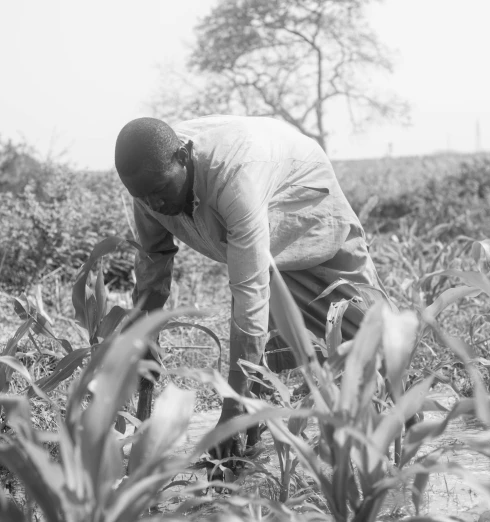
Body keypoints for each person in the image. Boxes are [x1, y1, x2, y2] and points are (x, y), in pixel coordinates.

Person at [114, 115, 389, 465]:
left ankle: (398, 410)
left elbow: (249, 296)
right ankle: (252, 436)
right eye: (143, 197)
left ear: (183, 158)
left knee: (371, 334)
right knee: (261, 293)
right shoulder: (149, 182)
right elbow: (154, 263)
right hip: (248, 210)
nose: (154, 204)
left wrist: (230, 411)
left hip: (302, 194)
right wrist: (144, 333)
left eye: (160, 191)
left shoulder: (235, 177)